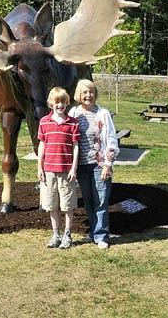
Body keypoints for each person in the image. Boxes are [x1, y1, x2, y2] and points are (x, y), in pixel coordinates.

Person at [69, 79, 119, 249]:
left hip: (99, 164)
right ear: (79, 95)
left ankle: (102, 235)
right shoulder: (74, 113)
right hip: (82, 165)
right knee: (88, 200)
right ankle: (93, 232)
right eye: (84, 92)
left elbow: (112, 139)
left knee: (101, 200)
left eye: (91, 92)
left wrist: (108, 164)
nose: (88, 95)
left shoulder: (103, 113)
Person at [37, 87, 80, 250]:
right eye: (56, 102)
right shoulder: (44, 122)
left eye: (62, 102)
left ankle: (67, 235)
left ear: (67, 103)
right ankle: (56, 234)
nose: (60, 105)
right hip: (48, 171)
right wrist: (39, 167)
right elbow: (42, 145)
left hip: (66, 171)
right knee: (51, 205)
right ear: (50, 104)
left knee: (68, 205)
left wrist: (73, 168)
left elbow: (75, 146)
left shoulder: (72, 123)